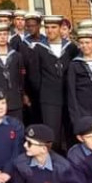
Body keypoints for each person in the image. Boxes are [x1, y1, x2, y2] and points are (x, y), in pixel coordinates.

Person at [26, 15, 77, 149]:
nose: (50, 30)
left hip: (69, 97)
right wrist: (43, 92)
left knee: (71, 132)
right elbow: (34, 76)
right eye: (47, 27)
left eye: (54, 27)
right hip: (49, 98)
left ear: (61, 28)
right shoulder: (38, 48)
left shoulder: (71, 48)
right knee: (52, 135)